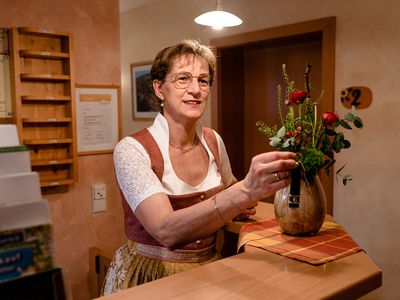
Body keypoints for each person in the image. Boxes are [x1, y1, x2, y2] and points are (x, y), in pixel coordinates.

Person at [101, 39, 298, 295]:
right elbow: (165, 231)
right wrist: (245, 192)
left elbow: (231, 188)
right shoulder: (131, 150)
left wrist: (244, 199)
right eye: (183, 79)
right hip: (151, 276)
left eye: (203, 81)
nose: (195, 89)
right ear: (159, 89)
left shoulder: (214, 140)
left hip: (209, 270)